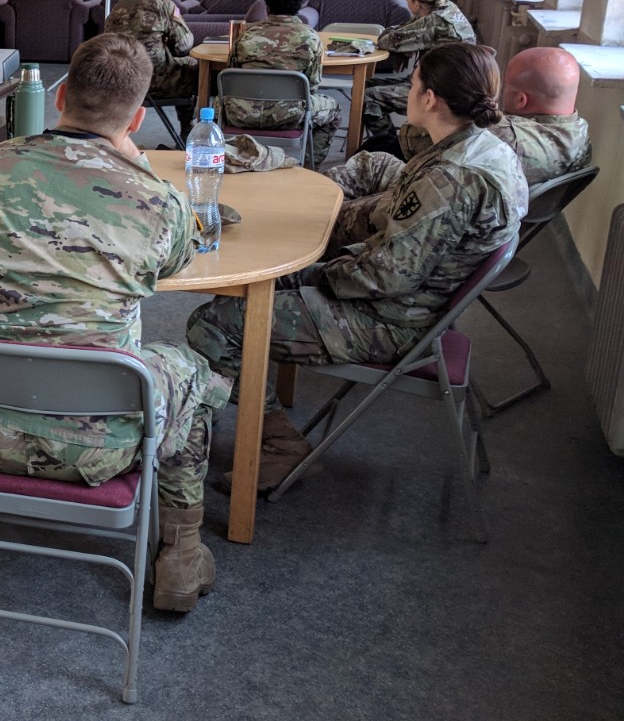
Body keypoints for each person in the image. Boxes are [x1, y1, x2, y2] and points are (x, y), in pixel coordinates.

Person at [0, 32, 228, 612]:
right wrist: (137, 170)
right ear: (138, 118)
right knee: (193, 369)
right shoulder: (156, 201)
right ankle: (181, 554)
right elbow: (172, 264)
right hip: (98, 447)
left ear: (60, 94)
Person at [186, 43, 528, 493]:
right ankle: (240, 407)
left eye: (414, 82)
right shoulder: (483, 148)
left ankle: (280, 445)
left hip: (392, 319)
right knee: (263, 281)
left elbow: (387, 276)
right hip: (413, 302)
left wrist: (323, 270)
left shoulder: (451, 178)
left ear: (430, 99)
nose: (408, 91)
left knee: (214, 325)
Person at [331, 45, 590, 248]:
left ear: (521, 100)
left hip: (443, 210)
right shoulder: (579, 135)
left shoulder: (500, 139)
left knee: (377, 150)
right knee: (374, 160)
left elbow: (415, 138)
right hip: (478, 221)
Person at [225, 0, 341, 165]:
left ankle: (230, 159)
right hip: (289, 115)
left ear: (267, 6)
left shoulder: (246, 35)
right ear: (300, 7)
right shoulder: (310, 37)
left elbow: (230, 76)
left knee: (212, 106)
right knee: (333, 109)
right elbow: (312, 85)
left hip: (240, 114)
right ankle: (309, 167)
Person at [360, 0, 477, 143]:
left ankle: (392, 145)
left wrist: (392, 37)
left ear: (416, 3)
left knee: (368, 96)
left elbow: (386, 41)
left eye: (407, 0)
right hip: (452, 83)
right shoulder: (445, 8)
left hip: (442, 92)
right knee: (366, 85)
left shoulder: (434, 21)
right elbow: (401, 30)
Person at [101, 0, 197, 130]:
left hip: (124, 84)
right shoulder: (162, 5)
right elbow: (184, 45)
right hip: (157, 83)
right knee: (192, 65)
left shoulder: (112, 13)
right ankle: (187, 130)